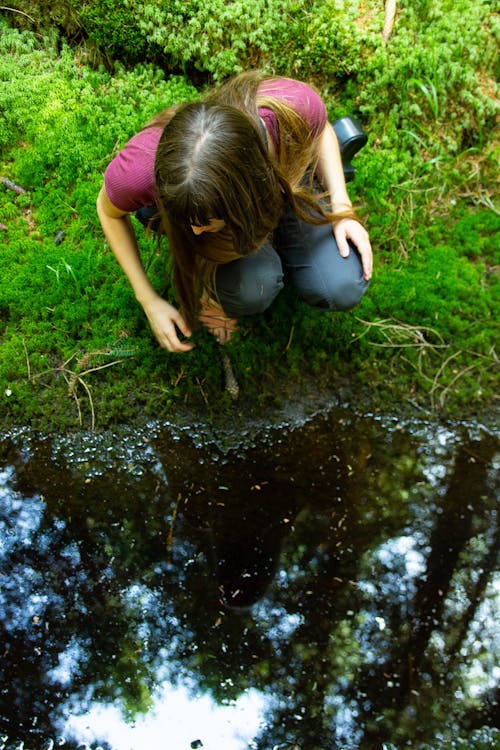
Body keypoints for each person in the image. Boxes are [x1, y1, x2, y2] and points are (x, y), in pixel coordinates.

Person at [97, 71, 372, 353]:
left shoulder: (291, 107)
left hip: (283, 181)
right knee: (251, 287)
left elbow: (320, 129)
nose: (193, 233)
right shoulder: (139, 172)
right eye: (189, 222)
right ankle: (238, 270)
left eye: (205, 223)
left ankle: (284, 227)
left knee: (340, 286)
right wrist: (149, 300)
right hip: (243, 197)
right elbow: (107, 211)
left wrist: (341, 206)